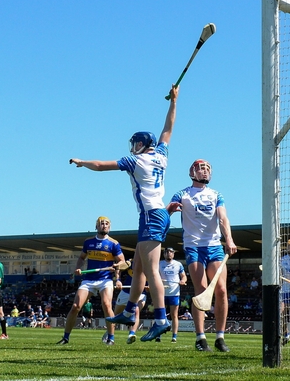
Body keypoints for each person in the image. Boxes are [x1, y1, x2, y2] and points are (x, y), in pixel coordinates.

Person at [73, 84, 179, 343]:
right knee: (139, 266)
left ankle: (161, 318)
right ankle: (130, 311)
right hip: (156, 214)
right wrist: (174, 102)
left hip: (152, 215)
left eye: (135, 143)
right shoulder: (161, 155)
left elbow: (100, 166)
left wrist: (81, 162)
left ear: (142, 144)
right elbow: (167, 130)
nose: (133, 147)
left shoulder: (136, 160)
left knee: (151, 270)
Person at [167, 159, 237, 352]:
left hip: (214, 246)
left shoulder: (216, 195)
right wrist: (170, 209)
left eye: (207, 168)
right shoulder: (183, 194)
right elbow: (167, 211)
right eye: (200, 168)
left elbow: (223, 218)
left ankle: (220, 337)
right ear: (192, 172)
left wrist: (229, 239)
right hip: (194, 246)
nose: (204, 171)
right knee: (201, 289)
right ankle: (200, 337)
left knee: (221, 290)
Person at [56, 216, 124, 345]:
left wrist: (117, 274)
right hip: (89, 279)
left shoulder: (113, 244)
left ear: (109, 227)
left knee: (106, 305)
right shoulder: (88, 242)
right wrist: (77, 268)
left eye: (107, 224)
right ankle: (65, 337)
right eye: (101, 223)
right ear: (96, 226)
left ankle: (111, 338)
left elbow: (122, 261)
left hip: (105, 279)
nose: (104, 225)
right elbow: (82, 258)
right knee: (76, 306)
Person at [113, 260, 147, 344]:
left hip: (141, 292)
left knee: (136, 310)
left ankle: (131, 334)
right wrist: (118, 280)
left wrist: (151, 285)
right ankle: (110, 333)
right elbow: (118, 268)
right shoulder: (130, 262)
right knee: (115, 315)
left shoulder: (149, 263)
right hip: (126, 292)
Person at [158, 247, 187, 343]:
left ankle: (174, 336)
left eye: (171, 252)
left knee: (174, 315)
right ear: (164, 254)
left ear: (173, 254)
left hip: (174, 293)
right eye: (167, 252)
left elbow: (184, 276)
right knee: (160, 315)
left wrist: (183, 281)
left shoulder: (178, 264)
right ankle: (158, 335)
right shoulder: (159, 264)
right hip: (161, 293)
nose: (169, 254)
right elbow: (154, 276)